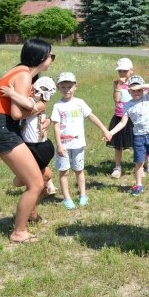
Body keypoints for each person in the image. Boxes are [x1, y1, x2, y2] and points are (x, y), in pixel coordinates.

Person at [0, 38, 54, 243]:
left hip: (3, 128)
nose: (52, 59)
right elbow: (16, 113)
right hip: (4, 130)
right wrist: (40, 107)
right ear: (40, 57)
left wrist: (43, 115)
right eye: (51, 55)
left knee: (44, 174)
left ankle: (31, 214)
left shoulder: (19, 72)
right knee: (35, 183)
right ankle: (19, 232)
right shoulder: (24, 75)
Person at [51, 72, 110, 210]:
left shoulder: (80, 103)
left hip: (78, 144)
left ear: (75, 86)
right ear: (58, 87)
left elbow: (91, 116)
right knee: (64, 171)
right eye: (63, 87)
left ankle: (83, 195)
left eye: (70, 86)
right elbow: (56, 126)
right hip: (63, 145)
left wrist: (104, 129)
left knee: (79, 169)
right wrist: (59, 144)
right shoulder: (57, 106)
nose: (67, 89)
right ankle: (67, 198)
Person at [107, 75, 149, 196]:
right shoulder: (127, 105)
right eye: (133, 90)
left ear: (143, 89)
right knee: (138, 162)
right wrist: (111, 132)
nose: (136, 93)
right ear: (128, 90)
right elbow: (123, 123)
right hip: (138, 137)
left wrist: (141, 86)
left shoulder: (147, 97)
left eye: (139, 90)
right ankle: (138, 184)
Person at [1, 76, 58, 199]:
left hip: (39, 147)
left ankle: (43, 185)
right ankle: (46, 185)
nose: (35, 93)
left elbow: (23, 111)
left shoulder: (39, 103)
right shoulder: (34, 101)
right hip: (31, 145)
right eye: (35, 90)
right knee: (35, 173)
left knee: (18, 181)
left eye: (39, 92)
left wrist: (12, 94)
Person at [107, 58, 134, 179]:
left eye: (125, 71)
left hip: (134, 117)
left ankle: (145, 164)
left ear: (131, 70)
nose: (122, 74)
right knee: (118, 144)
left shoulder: (136, 82)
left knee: (139, 142)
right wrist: (118, 85)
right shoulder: (117, 83)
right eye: (120, 71)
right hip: (120, 116)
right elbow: (117, 99)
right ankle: (117, 167)